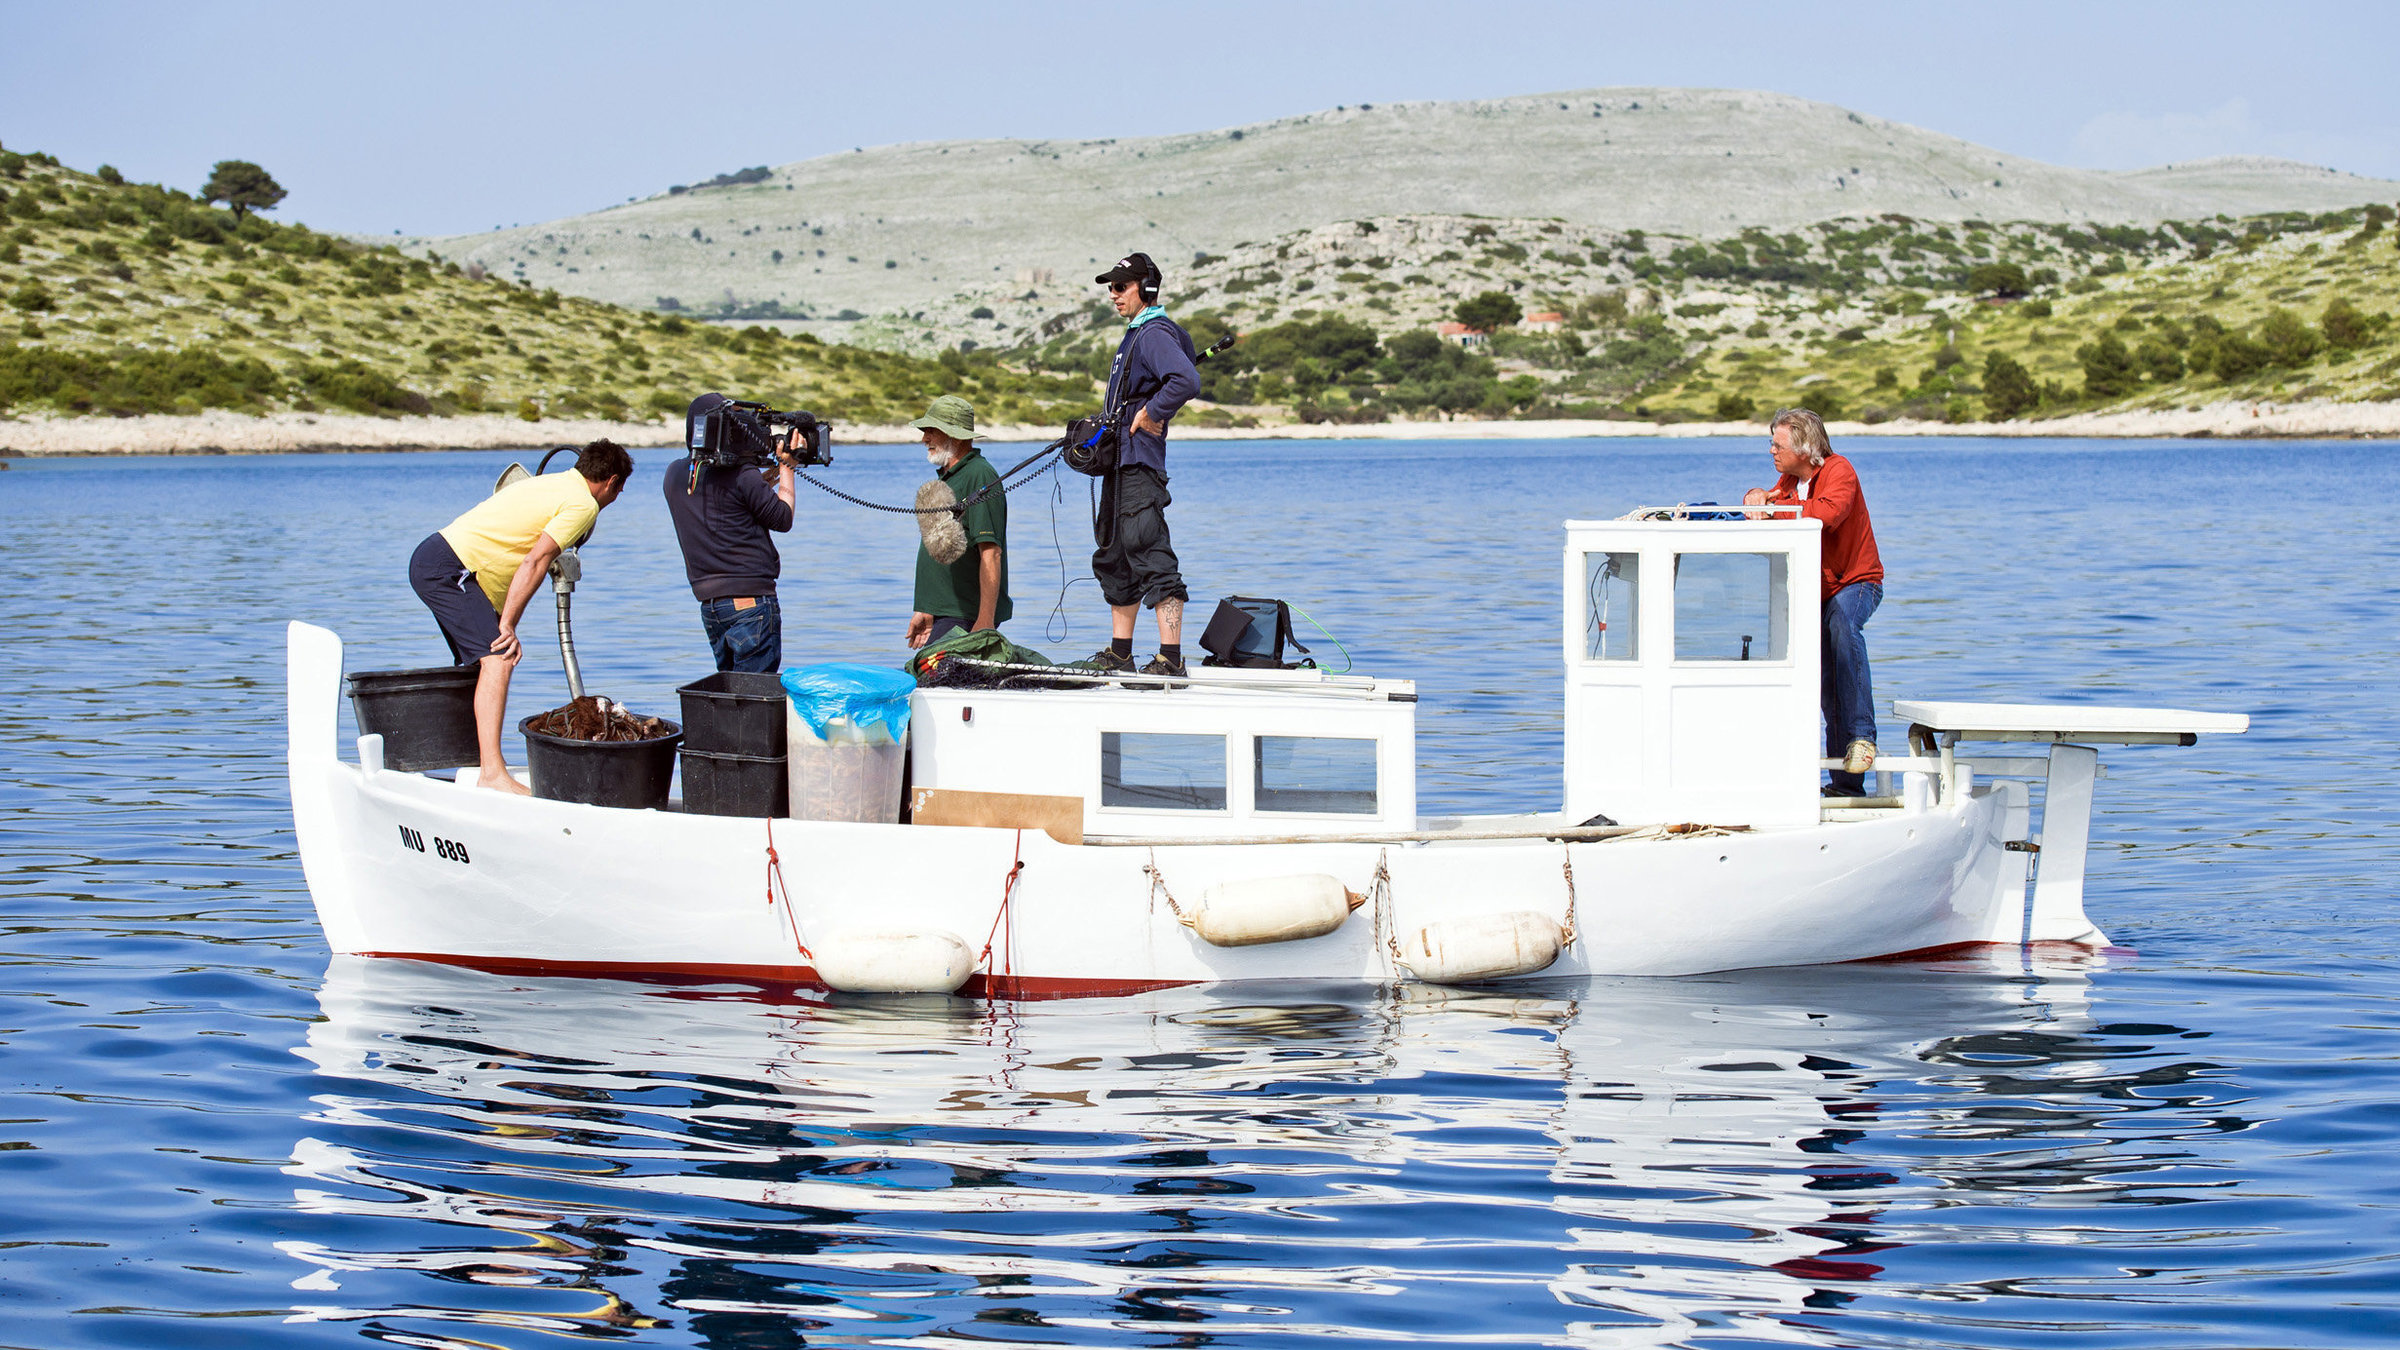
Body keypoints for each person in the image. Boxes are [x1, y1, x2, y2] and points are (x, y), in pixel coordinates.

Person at [408, 439, 633, 793]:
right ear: (611, 482)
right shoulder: (582, 504)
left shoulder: (549, 483)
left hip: (437, 559)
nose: (615, 500)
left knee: (481, 662)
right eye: (619, 491)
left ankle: (472, 760)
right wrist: (508, 625)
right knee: (499, 657)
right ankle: (492, 775)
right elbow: (536, 561)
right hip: (450, 568)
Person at [1744, 408, 1885, 796]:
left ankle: (1863, 737)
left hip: (1858, 582)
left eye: (1778, 444)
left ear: (1805, 447)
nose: (1771, 450)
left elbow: (1826, 515)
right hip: (1818, 591)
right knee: (1827, 680)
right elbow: (1765, 503)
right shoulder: (1790, 480)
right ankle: (1846, 785)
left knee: (1844, 625)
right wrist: (1754, 497)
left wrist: (1771, 510)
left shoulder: (1841, 471)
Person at [1088, 251, 1200, 677]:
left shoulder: (1153, 333)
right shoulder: (1137, 334)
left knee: (1149, 551)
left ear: (1146, 288)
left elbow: (1187, 379)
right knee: (1115, 555)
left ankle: (1170, 659)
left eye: (1120, 287)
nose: (1113, 295)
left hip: (1140, 464)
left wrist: (1154, 411)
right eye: (1110, 288)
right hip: (1119, 463)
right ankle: (1121, 652)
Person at [662, 392, 797, 673]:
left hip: (711, 606)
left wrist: (758, 482)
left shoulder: (675, 474)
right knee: (752, 697)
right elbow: (782, 518)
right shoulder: (742, 475)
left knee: (731, 695)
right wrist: (787, 468)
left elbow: (723, 503)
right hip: (752, 603)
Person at [906, 395, 1011, 648]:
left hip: (965, 617)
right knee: (928, 677)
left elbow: (991, 553)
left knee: (933, 679)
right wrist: (927, 607)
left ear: (955, 435)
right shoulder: (952, 477)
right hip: (943, 614)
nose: (924, 439)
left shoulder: (979, 474)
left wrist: (985, 621)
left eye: (932, 431)